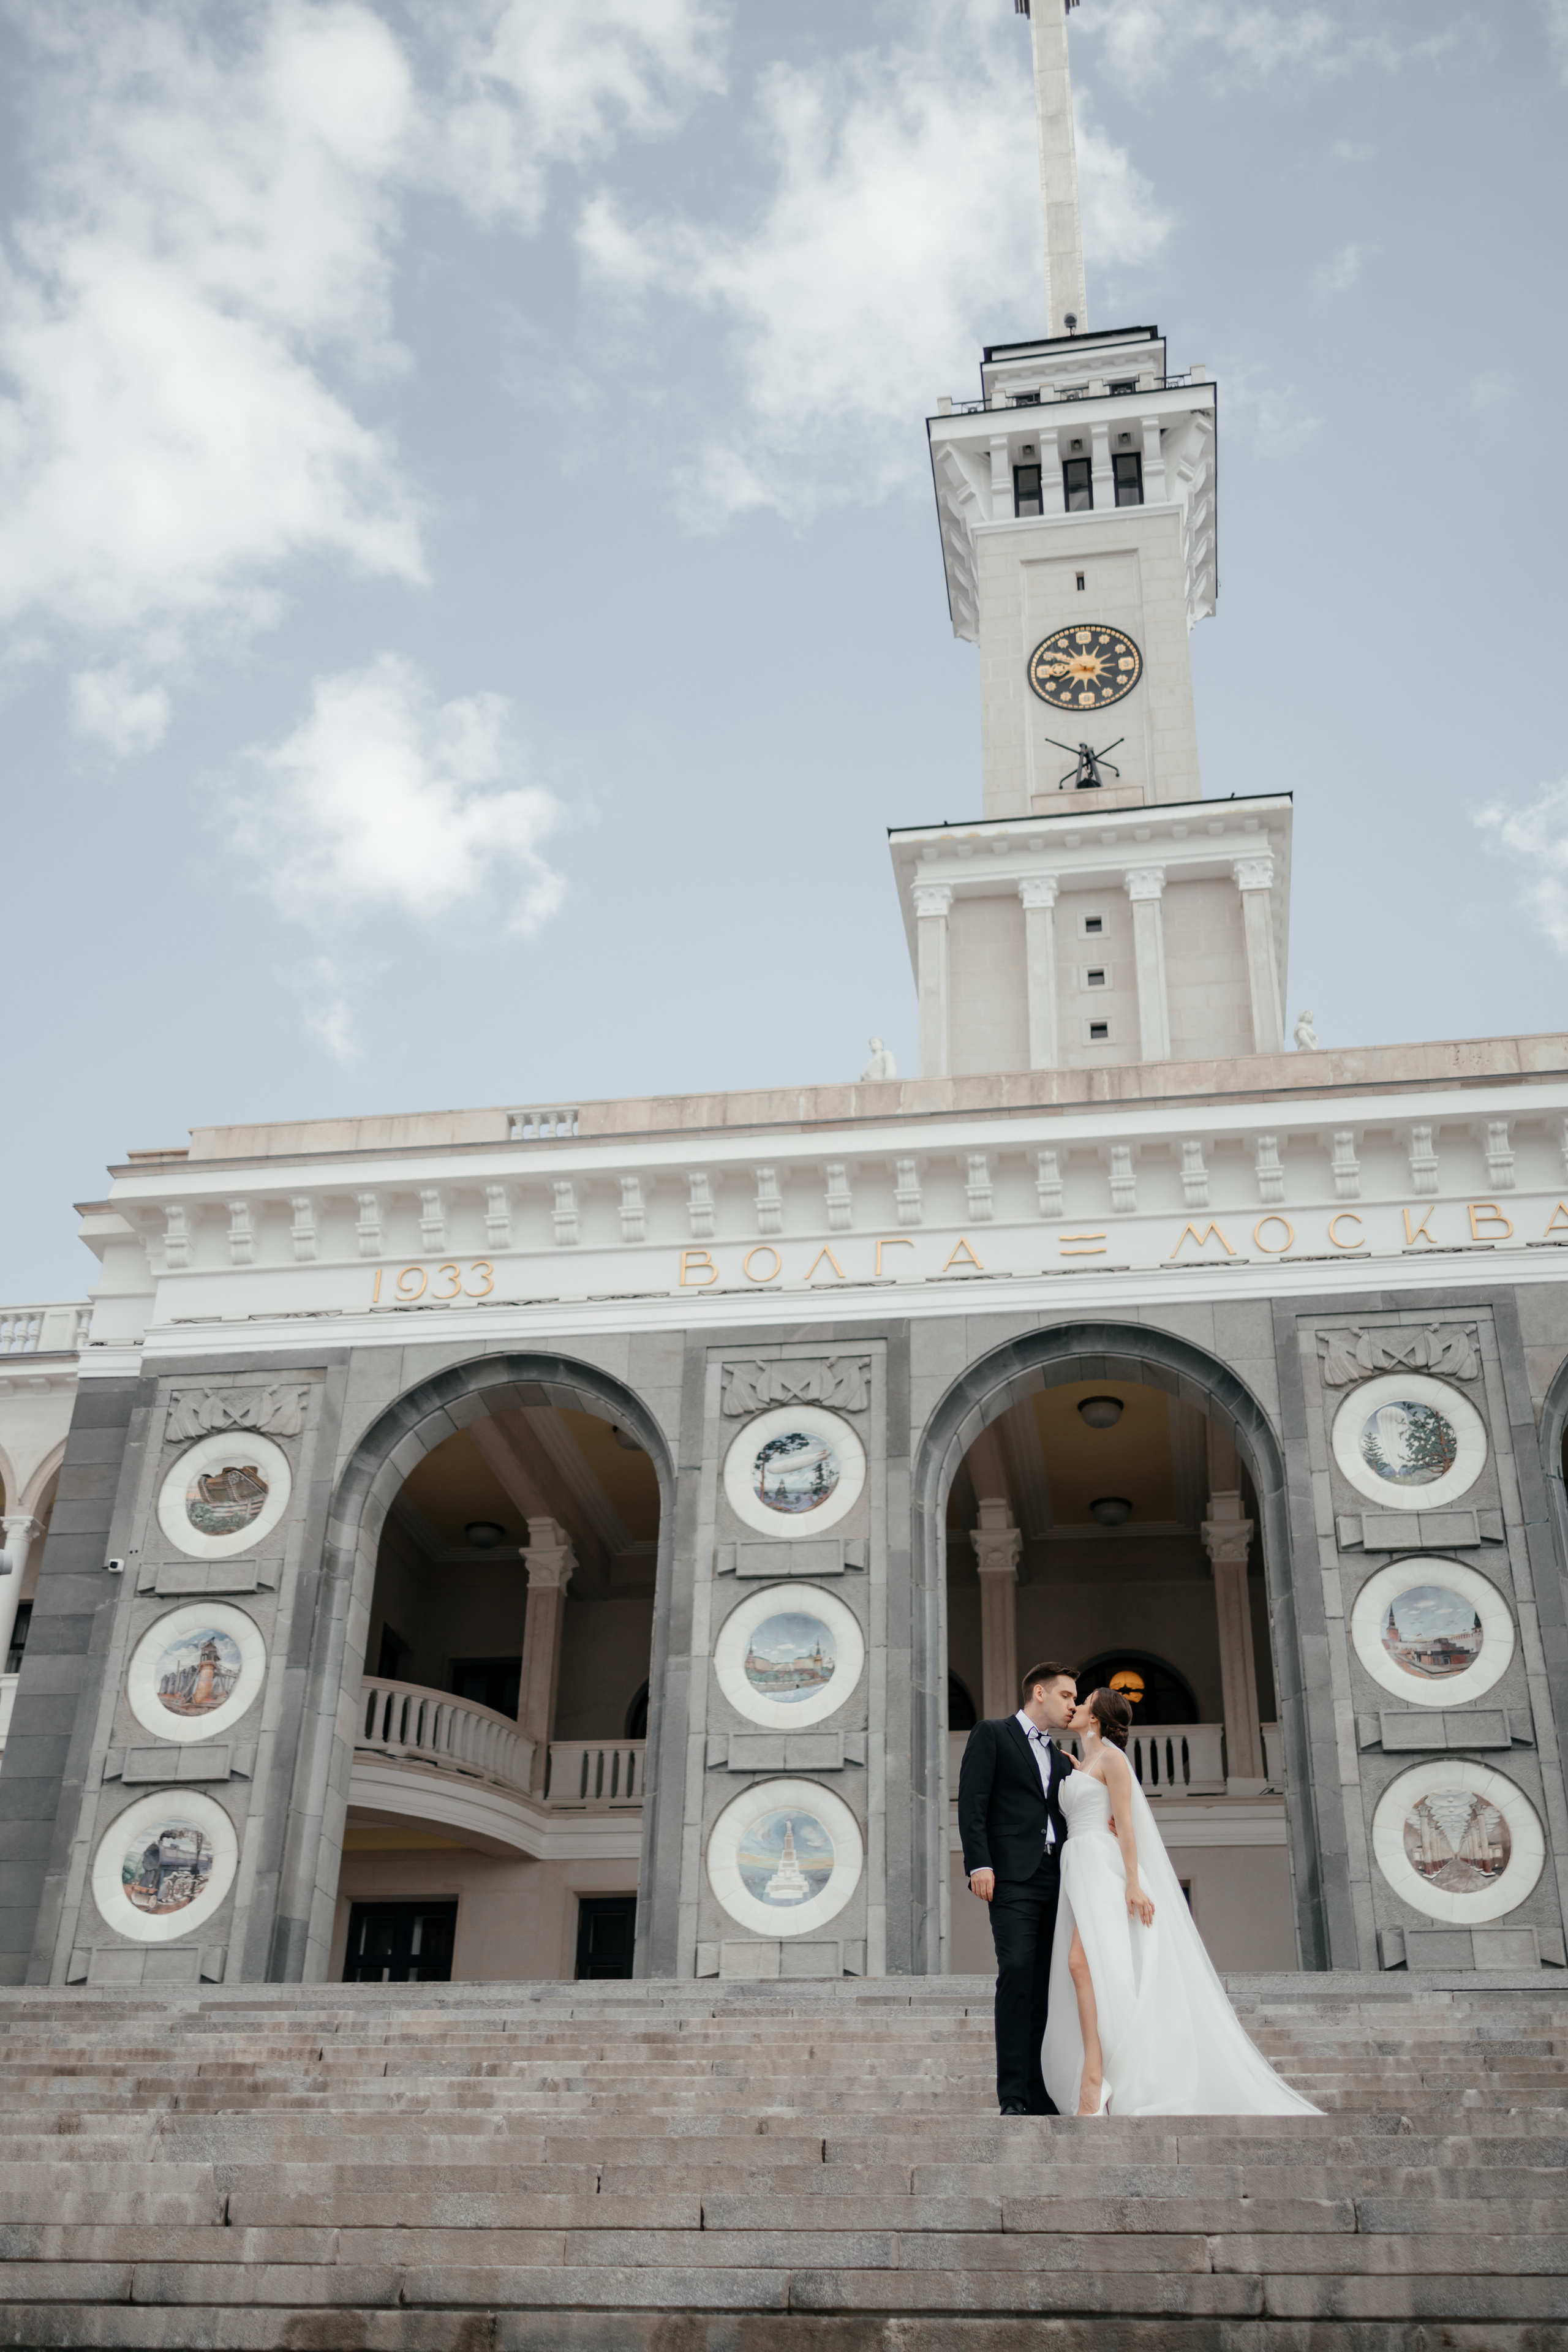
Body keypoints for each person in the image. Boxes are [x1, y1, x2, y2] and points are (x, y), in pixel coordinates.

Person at [1041, 1687, 1322, 2117]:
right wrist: (1077, 1773)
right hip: (1077, 1865)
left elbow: (1127, 1824)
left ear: (1096, 1717)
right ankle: (1096, 2075)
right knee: (1082, 1964)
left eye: (1085, 1701)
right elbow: (1086, 1801)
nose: (1075, 1706)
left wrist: (1133, 1882)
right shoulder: (1086, 1762)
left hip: (1100, 1863)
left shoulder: (1114, 1759)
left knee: (1082, 1963)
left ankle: (1095, 2079)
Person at [957, 1660, 1079, 2115]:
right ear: (1040, 1693)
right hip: (1011, 1877)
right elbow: (973, 1803)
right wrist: (979, 1864)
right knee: (1017, 1970)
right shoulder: (992, 1733)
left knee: (1047, 1984)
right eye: (1067, 1696)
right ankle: (1012, 2094)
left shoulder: (1058, 1755)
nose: (1073, 1705)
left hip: (1057, 1878)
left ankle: (1039, 2089)